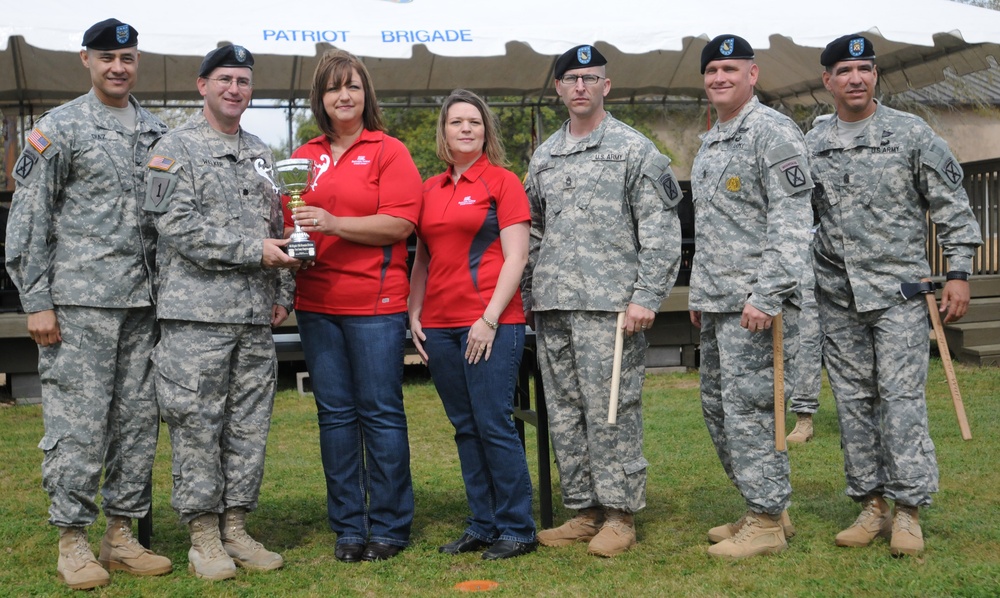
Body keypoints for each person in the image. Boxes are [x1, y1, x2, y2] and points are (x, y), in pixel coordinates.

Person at [4, 18, 171, 590]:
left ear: (136, 61)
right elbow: (29, 220)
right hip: (78, 306)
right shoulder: (59, 129)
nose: (117, 67)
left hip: (142, 306)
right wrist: (37, 302)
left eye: (126, 58)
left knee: (137, 422)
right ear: (86, 60)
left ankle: (121, 536)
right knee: (78, 425)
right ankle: (72, 541)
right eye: (106, 58)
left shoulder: (155, 131)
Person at [806, 34, 983, 558]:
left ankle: (908, 510)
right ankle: (872, 504)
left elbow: (952, 204)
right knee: (855, 402)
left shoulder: (910, 134)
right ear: (827, 81)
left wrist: (958, 272)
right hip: (837, 296)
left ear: (875, 75)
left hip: (899, 295)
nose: (855, 78)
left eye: (864, 68)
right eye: (844, 70)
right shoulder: (810, 142)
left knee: (902, 402)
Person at [143, 44, 298, 580]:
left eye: (244, 81)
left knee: (248, 426)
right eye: (225, 79)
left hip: (254, 317)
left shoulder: (260, 152)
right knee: (197, 424)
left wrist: (283, 290)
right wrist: (253, 252)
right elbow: (175, 225)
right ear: (201, 85)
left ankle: (236, 526)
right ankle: (203, 534)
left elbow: (278, 220)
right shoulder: (172, 148)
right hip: (197, 318)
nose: (235, 89)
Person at [522, 44, 682, 557]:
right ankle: (585, 510)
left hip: (612, 308)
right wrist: (530, 293)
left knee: (611, 410)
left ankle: (620, 514)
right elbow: (533, 231)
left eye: (591, 78)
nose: (581, 87)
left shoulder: (635, 150)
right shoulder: (545, 154)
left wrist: (646, 297)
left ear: (606, 87)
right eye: (571, 79)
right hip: (555, 307)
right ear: (559, 89)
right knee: (566, 411)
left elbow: (661, 231)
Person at [283, 49, 421, 563]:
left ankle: (388, 524)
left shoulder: (389, 151)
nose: (344, 96)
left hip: (375, 304)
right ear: (320, 97)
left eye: (353, 86)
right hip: (317, 304)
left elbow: (401, 224)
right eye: (334, 88)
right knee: (335, 417)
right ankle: (348, 525)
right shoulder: (303, 155)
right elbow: (293, 225)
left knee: (380, 414)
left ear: (367, 94)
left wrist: (335, 223)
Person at [688, 34, 814, 560]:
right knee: (718, 409)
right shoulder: (713, 138)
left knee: (751, 411)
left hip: (753, 307)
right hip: (718, 302)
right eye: (713, 69)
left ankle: (764, 522)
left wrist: (766, 295)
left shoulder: (772, 131)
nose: (720, 77)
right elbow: (713, 225)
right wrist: (698, 290)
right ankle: (765, 505)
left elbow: (793, 222)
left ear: (753, 74)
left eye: (731, 69)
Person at [409, 89, 537, 561]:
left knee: (493, 423)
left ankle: (517, 528)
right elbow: (421, 257)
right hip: (439, 328)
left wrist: (488, 319)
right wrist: (413, 311)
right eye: (457, 122)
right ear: (443, 132)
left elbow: (517, 257)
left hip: (491, 323)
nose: (466, 129)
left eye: (475, 123)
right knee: (465, 426)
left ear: (486, 131)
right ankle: (482, 524)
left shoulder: (502, 182)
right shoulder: (427, 189)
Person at [786, 260, 822, 444]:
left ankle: (861, 414)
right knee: (805, 344)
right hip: (802, 264)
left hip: (843, 261)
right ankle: (804, 418)